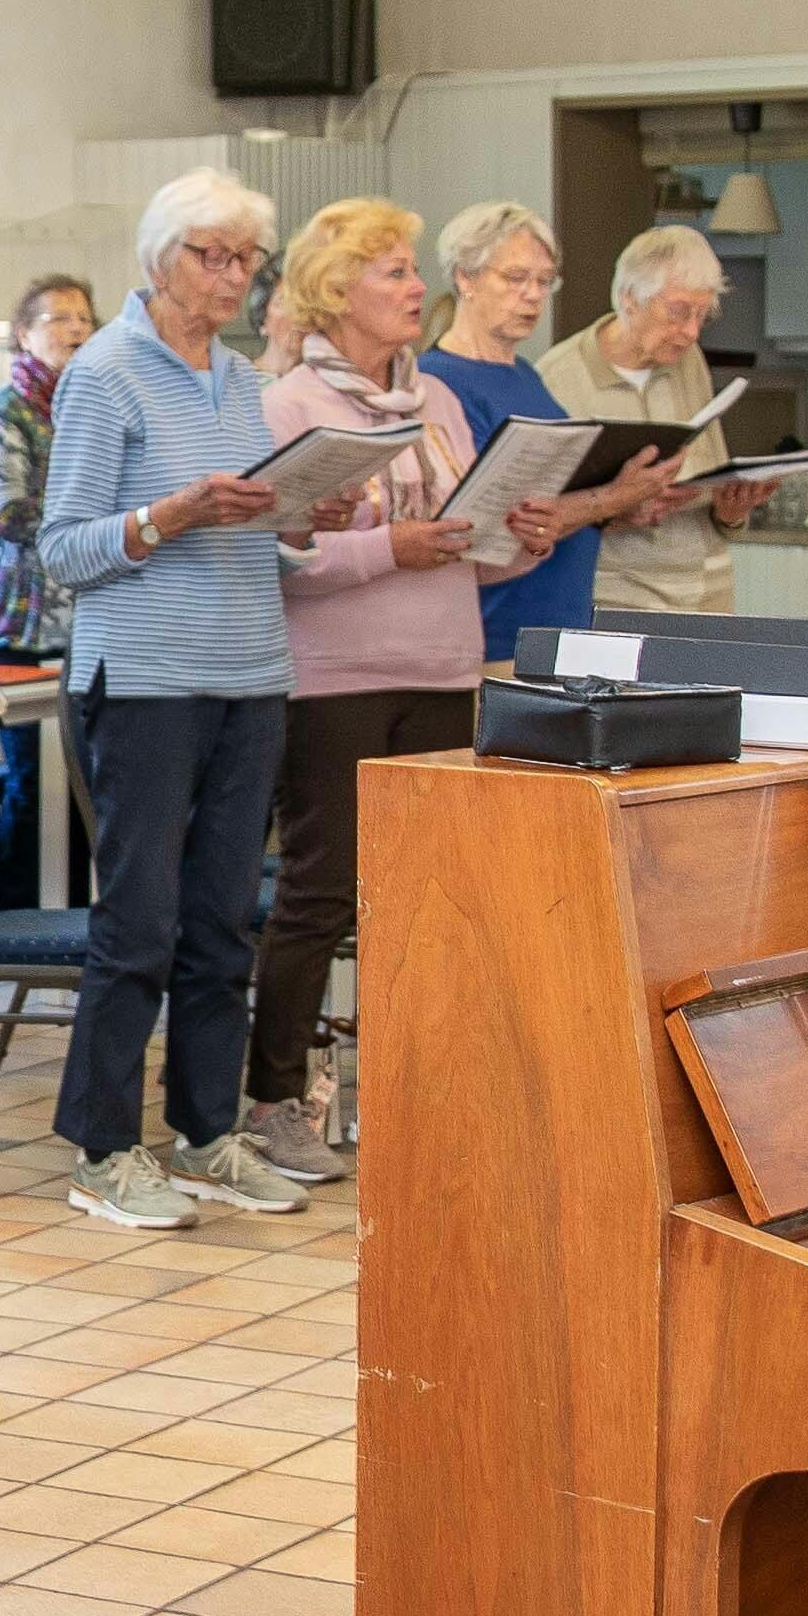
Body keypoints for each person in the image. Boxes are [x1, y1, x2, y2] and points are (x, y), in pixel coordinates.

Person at [242, 199, 585, 1186]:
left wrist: (521, 537)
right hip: (336, 681)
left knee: (434, 901)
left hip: (444, 666)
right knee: (322, 891)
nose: (410, 287)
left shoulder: (434, 399)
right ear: (334, 289)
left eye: (408, 268)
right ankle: (275, 1102)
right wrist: (389, 547)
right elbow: (278, 560)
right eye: (390, 270)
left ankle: (421, 1086)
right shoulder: (291, 404)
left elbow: (463, 554)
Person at [31, 169, 315, 1233]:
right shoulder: (104, 373)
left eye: (247, 257)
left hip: (249, 673)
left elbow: (255, 534)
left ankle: (204, 1136)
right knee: (139, 922)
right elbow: (63, 550)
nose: (235, 275)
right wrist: (169, 515)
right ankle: (104, 1150)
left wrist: (295, 523)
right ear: (161, 259)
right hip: (144, 681)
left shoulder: (242, 380)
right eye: (214, 254)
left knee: (222, 926)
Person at [422, 201, 667, 656]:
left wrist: (616, 511)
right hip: (495, 632)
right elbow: (499, 520)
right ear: (465, 278)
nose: (533, 294)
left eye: (544, 280)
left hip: (563, 622)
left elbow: (557, 499)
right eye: (515, 278)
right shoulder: (437, 381)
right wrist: (613, 498)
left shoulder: (527, 374)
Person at [0, 273, 102, 911]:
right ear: (23, 334)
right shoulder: (1, 414)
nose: (73, 330)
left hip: (83, 628)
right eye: (57, 318)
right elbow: (7, 512)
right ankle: (12, 918)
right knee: (35, 781)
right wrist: (102, 525)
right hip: (11, 625)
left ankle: (70, 917)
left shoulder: (95, 408)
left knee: (81, 786)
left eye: (83, 320)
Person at [541, 223, 766, 615]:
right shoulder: (557, 378)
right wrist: (619, 510)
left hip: (708, 591)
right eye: (679, 312)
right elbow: (539, 523)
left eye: (702, 315)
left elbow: (709, 472)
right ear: (630, 299)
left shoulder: (686, 358)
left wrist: (731, 511)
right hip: (618, 597)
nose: (691, 332)